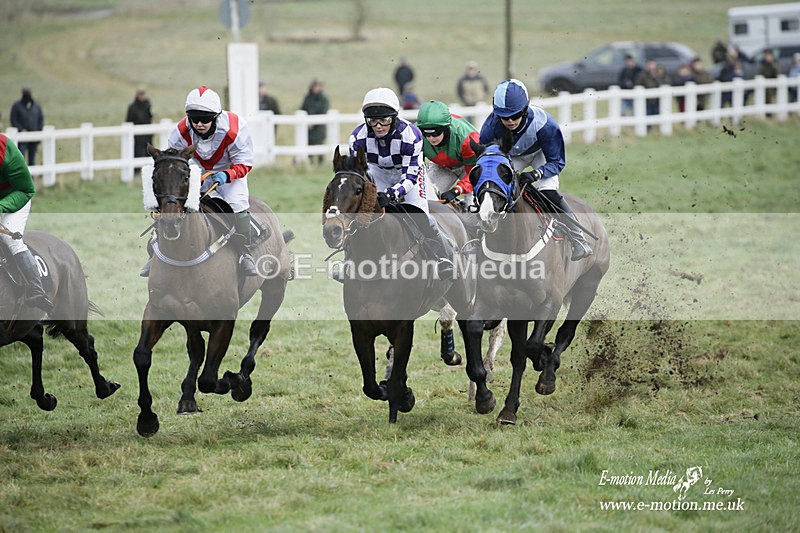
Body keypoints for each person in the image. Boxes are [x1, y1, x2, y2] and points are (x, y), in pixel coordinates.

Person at [140, 86, 258, 277]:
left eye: (205, 119)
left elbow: (244, 162)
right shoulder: (180, 131)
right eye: (194, 119)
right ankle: (154, 251)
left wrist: (225, 175)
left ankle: (245, 253)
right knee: (172, 204)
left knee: (237, 203)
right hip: (194, 171)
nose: (199, 124)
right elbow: (172, 161)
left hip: (229, 172)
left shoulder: (235, 128)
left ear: (216, 117)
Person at [479, 79, 592, 261]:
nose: (509, 121)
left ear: (524, 110)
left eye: (514, 116)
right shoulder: (490, 127)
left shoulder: (545, 126)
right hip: (512, 157)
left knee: (547, 191)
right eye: (504, 117)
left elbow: (557, 162)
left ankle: (577, 237)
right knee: (494, 185)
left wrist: (536, 174)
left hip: (541, 155)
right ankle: (480, 233)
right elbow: (488, 160)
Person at [348, 87, 454, 279]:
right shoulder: (357, 138)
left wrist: (391, 194)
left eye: (385, 120)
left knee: (421, 214)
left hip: (407, 172)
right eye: (372, 121)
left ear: (394, 118)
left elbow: (410, 177)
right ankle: (349, 260)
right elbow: (358, 175)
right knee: (361, 215)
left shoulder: (411, 135)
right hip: (377, 171)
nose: (378, 126)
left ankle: (442, 257)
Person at [0, 133, 53, 312]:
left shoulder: (6, 150)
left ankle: (36, 290)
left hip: (15, 198)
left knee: (10, 240)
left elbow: (26, 190)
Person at [415, 100, 479, 206]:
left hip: (469, 167)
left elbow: (474, 174)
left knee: (472, 213)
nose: (431, 138)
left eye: (436, 133)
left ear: (446, 128)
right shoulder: (416, 135)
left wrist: (456, 190)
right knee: (427, 200)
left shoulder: (468, 139)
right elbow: (417, 170)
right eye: (426, 133)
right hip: (441, 166)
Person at [9, 88, 44, 167]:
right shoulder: (17, 106)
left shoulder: (36, 106)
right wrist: (21, 129)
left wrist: (39, 133)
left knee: (32, 160)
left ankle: (31, 177)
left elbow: (40, 120)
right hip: (21, 138)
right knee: (21, 159)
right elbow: (13, 119)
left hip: (34, 138)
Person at [299, 79, 329, 165]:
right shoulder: (308, 98)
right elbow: (303, 108)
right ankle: (310, 162)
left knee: (319, 143)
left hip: (319, 127)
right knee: (309, 144)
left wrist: (314, 122)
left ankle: (321, 162)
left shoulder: (323, 99)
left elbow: (323, 111)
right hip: (308, 127)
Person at [125, 88, 153, 161]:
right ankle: (137, 170)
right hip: (137, 136)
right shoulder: (132, 107)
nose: (142, 96)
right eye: (141, 94)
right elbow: (129, 120)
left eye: (143, 94)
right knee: (138, 153)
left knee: (149, 153)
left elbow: (151, 117)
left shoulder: (148, 105)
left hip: (147, 135)